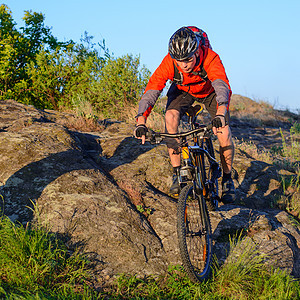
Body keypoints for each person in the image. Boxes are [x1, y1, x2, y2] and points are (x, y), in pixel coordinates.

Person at [134, 26, 235, 204]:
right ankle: (177, 173)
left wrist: (221, 112)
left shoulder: (210, 57)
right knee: (170, 118)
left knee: (224, 132)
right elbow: (152, 89)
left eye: (187, 59)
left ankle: (227, 179)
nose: (183, 65)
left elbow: (220, 84)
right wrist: (141, 120)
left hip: (210, 91)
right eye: (179, 61)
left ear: (196, 52)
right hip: (184, 91)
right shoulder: (170, 62)